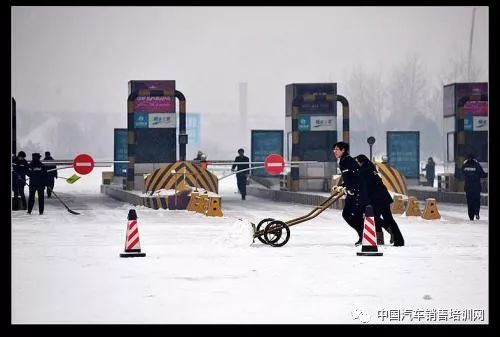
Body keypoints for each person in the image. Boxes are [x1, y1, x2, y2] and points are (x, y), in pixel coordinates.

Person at [355, 154, 405, 246]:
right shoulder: (370, 167)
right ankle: (390, 239)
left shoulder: (364, 171)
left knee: (382, 219)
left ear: (361, 162)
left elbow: (364, 187)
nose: (356, 164)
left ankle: (394, 238)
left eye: (357, 162)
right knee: (381, 218)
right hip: (382, 197)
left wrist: (364, 201)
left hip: (377, 199)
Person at [331, 141, 368, 246]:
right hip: (352, 192)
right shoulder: (343, 161)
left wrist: (351, 188)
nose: (335, 151)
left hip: (358, 193)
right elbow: (348, 178)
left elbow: (357, 177)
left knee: (352, 215)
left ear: (343, 150)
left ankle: (364, 236)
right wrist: (342, 186)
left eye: (337, 149)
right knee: (349, 215)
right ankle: (363, 235)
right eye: (334, 149)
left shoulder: (348, 161)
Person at [462, 153, 487, 221]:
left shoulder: (465, 165)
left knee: (469, 202)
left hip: (468, 188)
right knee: (476, 201)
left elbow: (460, 174)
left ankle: (471, 216)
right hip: (476, 187)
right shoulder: (476, 164)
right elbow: (482, 174)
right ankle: (476, 213)